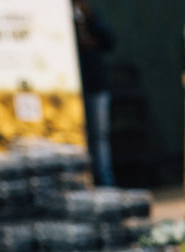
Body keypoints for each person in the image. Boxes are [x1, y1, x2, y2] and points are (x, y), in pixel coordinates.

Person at [73, 0, 115, 186]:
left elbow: (109, 41)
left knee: (100, 136)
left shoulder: (91, 15)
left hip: (96, 85)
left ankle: (106, 182)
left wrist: (90, 20)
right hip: (72, 90)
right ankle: (84, 183)